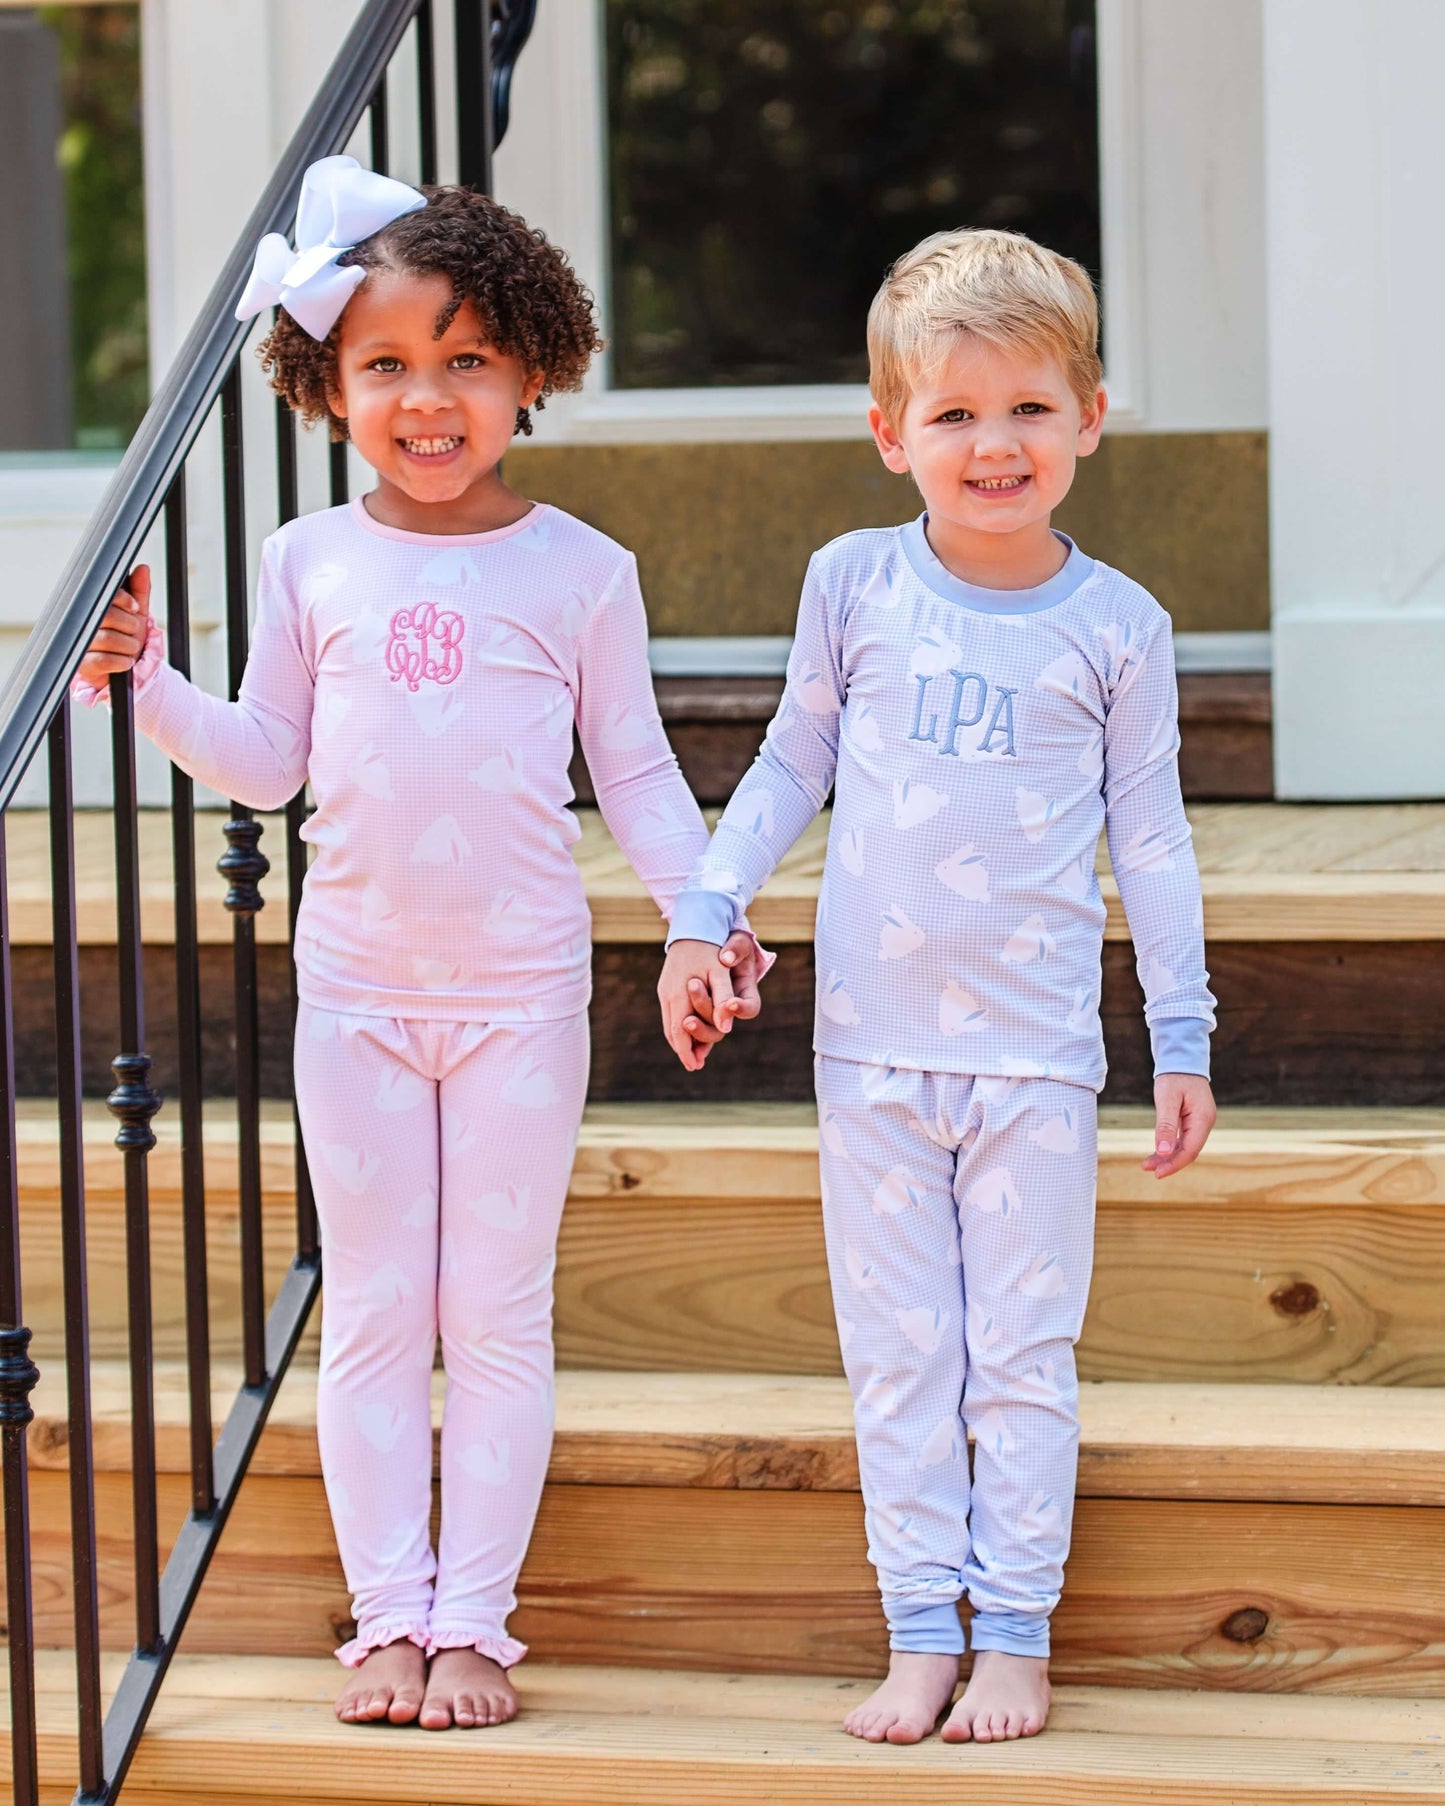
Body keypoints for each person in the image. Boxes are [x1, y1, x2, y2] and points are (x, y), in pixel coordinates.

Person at [76, 155, 765, 1734]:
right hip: (362, 998)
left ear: (532, 368)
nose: (429, 396)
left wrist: (698, 917)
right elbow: (267, 757)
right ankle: (387, 1616)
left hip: (521, 996)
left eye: (467, 359)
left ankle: (477, 1628)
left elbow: (640, 772)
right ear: (328, 387)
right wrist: (153, 685)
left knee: (495, 1315)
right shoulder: (309, 561)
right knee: (381, 1308)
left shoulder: (583, 571)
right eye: (386, 363)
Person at [658, 228, 1217, 1746]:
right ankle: (919, 1627)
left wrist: (1182, 1030)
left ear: (1088, 417)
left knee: (1018, 1358)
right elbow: (792, 763)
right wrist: (706, 907)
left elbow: (1150, 836)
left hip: (1035, 1059)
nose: (993, 444)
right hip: (873, 1055)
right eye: (954, 413)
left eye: (1029, 408)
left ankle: (1015, 1632)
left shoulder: (1120, 627)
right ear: (888, 429)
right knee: (902, 1349)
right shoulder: (852, 584)